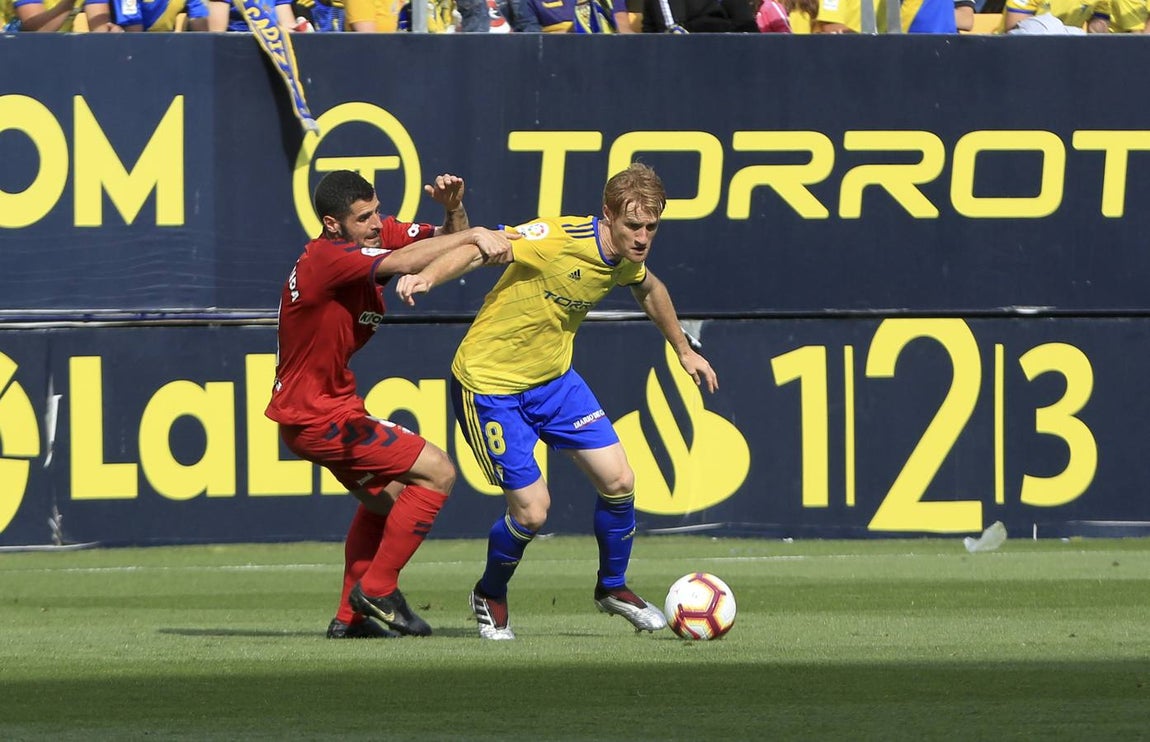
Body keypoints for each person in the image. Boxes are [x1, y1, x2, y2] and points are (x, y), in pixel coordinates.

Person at [395, 163, 719, 641]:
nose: (643, 236)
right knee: (532, 512)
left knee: (620, 479)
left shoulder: (627, 257)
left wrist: (684, 349)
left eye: (651, 227)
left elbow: (650, 289)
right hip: (490, 385)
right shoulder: (555, 237)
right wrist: (427, 277)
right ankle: (489, 593)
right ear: (607, 215)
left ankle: (612, 587)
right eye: (633, 225)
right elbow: (477, 249)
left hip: (554, 382)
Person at [265, 170, 516, 639]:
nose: (378, 223)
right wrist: (479, 235)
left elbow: (451, 242)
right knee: (438, 472)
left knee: (389, 503)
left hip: (323, 412)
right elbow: (405, 261)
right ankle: (378, 589)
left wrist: (454, 211)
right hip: (320, 417)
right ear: (332, 224)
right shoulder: (326, 258)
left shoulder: (376, 232)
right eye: (364, 217)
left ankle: (351, 617)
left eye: (377, 210)